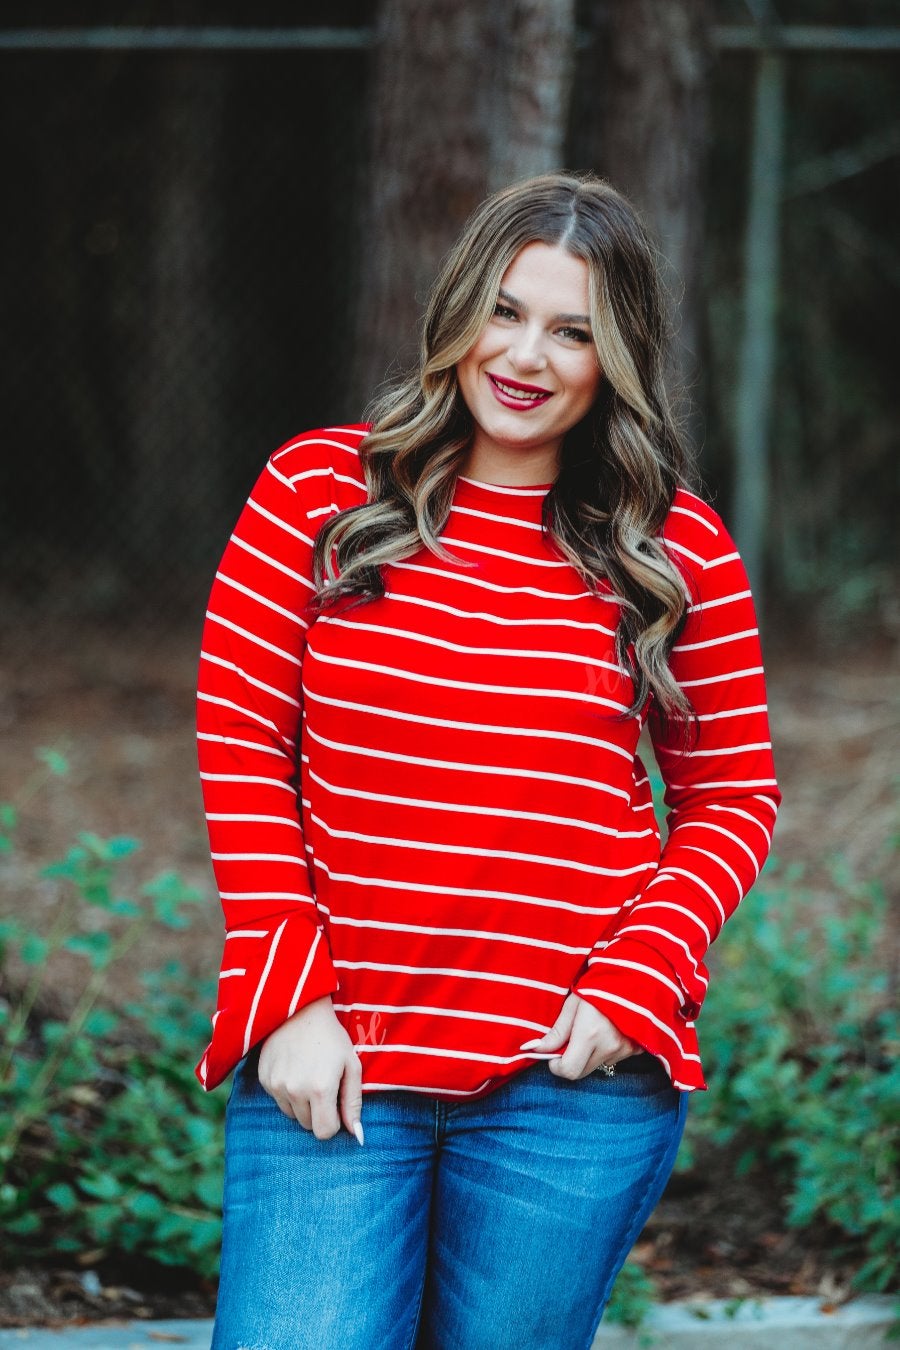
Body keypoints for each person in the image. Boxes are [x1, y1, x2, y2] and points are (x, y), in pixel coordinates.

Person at [195, 172, 780, 1350]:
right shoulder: (320, 488)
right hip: (338, 1057)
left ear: (617, 357)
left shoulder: (673, 546)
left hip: (566, 1084)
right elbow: (243, 739)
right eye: (507, 312)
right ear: (459, 311)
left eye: (574, 331)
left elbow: (732, 795)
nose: (528, 356)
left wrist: (633, 988)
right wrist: (289, 995)